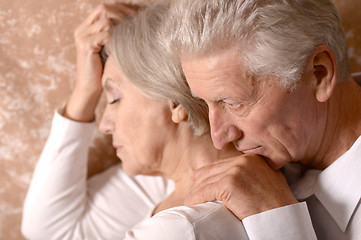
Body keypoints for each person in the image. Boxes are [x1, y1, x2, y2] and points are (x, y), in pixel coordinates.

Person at [21, 2, 249, 239]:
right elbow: (49, 231)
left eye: (115, 99)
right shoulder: (169, 180)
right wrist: (85, 91)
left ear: (174, 101)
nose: (104, 125)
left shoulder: (179, 228)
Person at [162, 0, 361, 239]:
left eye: (233, 103)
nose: (218, 137)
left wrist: (279, 223)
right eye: (207, 103)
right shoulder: (278, 148)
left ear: (319, 75)